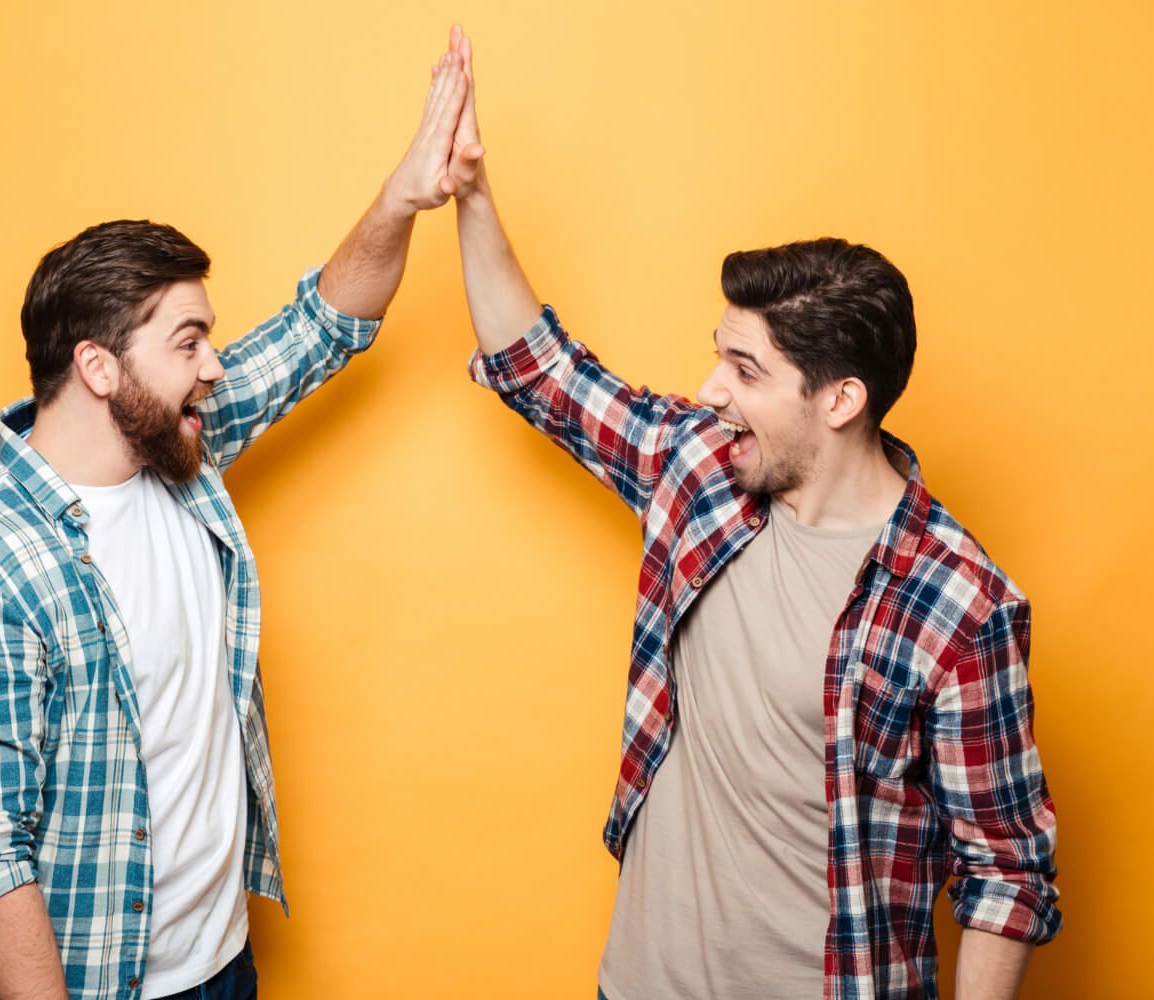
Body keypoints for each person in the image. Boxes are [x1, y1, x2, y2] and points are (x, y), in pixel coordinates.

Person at [438, 26, 1061, 999]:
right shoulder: (703, 472)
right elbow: (542, 371)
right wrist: (473, 193)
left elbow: (1007, 873)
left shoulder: (960, 606)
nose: (708, 388)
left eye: (744, 369)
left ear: (840, 399)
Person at [0, 41, 471, 1000]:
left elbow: (326, 326)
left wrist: (406, 195)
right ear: (98, 368)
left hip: (223, 965)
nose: (214, 365)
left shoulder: (179, 454)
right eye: (189, 341)